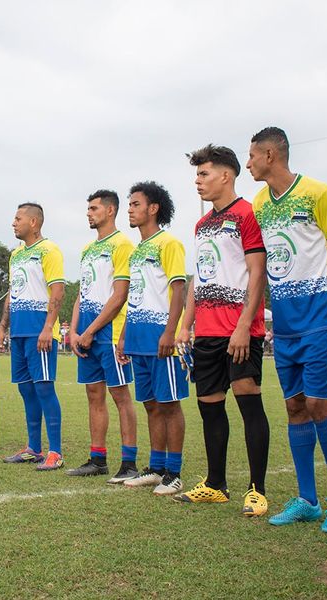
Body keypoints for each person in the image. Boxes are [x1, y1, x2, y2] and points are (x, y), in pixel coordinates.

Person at [247, 126, 327, 533]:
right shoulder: (260, 202)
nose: (248, 163)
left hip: (320, 319)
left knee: (318, 405)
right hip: (286, 325)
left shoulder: (318, 193)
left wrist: (322, 290)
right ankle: (307, 499)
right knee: (294, 406)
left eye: (252, 156)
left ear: (270, 155)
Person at [173, 145, 271, 515]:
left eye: (204, 174)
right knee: (209, 407)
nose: (197, 181)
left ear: (226, 176)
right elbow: (198, 278)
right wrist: (186, 325)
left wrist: (245, 325)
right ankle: (215, 484)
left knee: (249, 404)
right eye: (196, 175)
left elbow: (257, 272)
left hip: (240, 331)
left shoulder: (248, 214)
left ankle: (257, 490)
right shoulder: (201, 225)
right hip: (207, 333)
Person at [116, 181, 189, 495]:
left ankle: (174, 472)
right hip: (138, 338)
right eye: (130, 204)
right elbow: (136, 296)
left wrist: (170, 332)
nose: (130, 210)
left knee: (169, 404)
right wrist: (123, 336)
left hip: (162, 339)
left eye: (136, 204)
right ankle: (157, 468)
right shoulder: (137, 252)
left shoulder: (168, 243)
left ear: (153, 208)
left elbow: (178, 289)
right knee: (151, 405)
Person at [66, 190, 139, 482]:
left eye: (94, 208)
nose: (89, 213)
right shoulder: (87, 249)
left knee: (120, 395)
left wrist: (91, 331)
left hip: (109, 333)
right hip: (86, 333)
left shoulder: (123, 244)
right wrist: (74, 331)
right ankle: (98, 459)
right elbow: (81, 294)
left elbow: (120, 296)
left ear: (110, 211)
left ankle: (129, 463)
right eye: (88, 208)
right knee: (93, 394)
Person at [0, 202, 66, 471]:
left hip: (40, 331)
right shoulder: (15, 254)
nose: (13, 223)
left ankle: (55, 452)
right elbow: (12, 293)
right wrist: (3, 327)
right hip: (19, 333)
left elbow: (57, 291)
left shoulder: (49, 250)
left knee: (44, 387)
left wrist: (48, 327)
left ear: (33, 222)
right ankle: (33, 449)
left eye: (18, 218)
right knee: (26, 389)